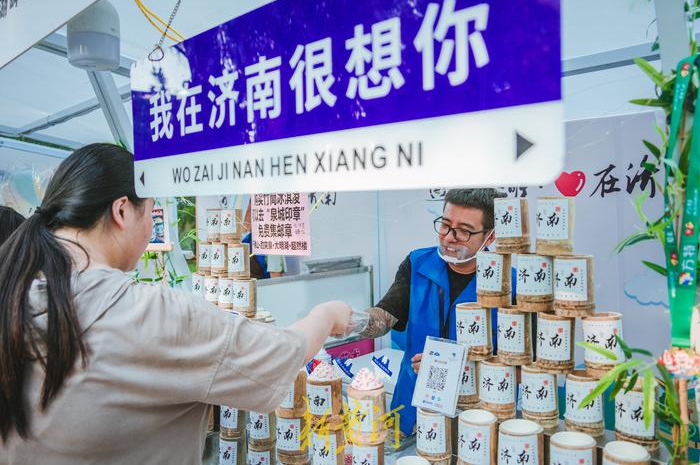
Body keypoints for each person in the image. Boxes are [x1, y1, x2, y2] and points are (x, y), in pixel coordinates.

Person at [0, 144, 351, 464]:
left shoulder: (13, 288)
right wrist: (325, 315)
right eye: (151, 216)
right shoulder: (147, 312)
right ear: (122, 210)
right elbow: (282, 352)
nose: (151, 231)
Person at [357, 188, 516, 436]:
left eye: (464, 231)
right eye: (444, 225)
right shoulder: (418, 263)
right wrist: (352, 322)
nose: (449, 237)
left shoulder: (509, 284)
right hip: (412, 406)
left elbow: (522, 367)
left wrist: (452, 368)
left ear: (490, 236)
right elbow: (385, 314)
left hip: (476, 415)